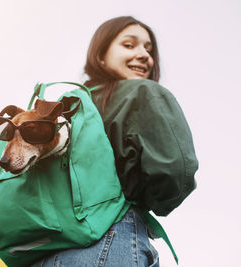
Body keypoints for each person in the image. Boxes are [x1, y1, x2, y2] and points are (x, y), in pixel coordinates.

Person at [31, 16, 198, 267]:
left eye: (148, 49)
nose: (144, 55)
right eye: (129, 45)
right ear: (100, 55)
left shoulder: (68, 106)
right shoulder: (144, 93)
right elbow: (175, 172)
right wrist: (148, 201)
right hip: (111, 239)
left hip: (46, 251)